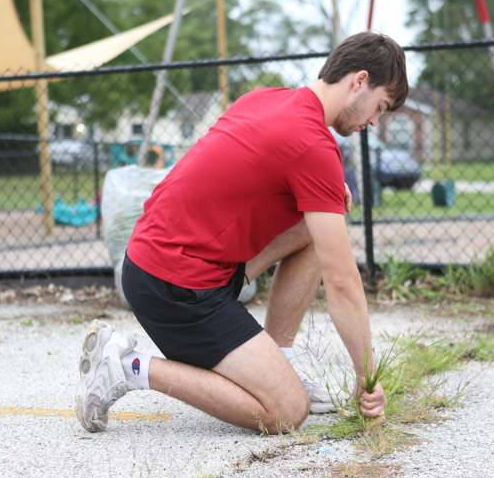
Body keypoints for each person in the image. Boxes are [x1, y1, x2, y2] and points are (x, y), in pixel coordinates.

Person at [75, 31, 409, 434]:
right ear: (359, 81)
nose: (373, 121)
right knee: (286, 411)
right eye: (380, 106)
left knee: (325, 217)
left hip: (165, 259)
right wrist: (366, 376)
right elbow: (343, 283)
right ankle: (126, 367)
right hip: (174, 285)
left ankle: (278, 357)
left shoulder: (266, 98)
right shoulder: (313, 145)